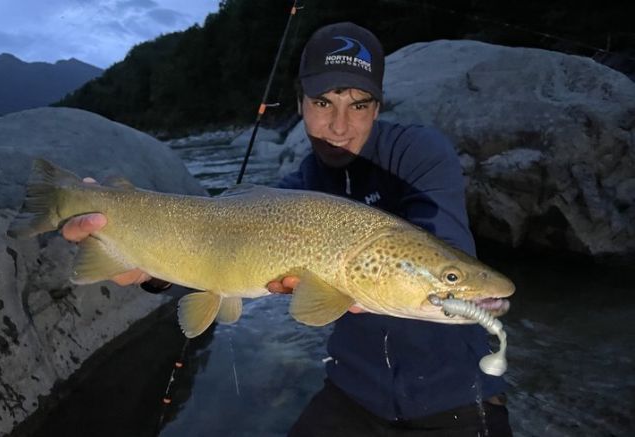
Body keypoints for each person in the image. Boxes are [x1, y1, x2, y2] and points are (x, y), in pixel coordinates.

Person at [62, 22, 512, 436]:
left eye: (359, 105)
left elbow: (444, 244)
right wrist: (147, 269)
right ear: (299, 103)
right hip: (354, 391)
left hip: (456, 394)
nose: (340, 126)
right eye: (322, 104)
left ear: (378, 106)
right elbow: (214, 245)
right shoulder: (294, 188)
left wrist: (451, 280)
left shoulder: (417, 153)